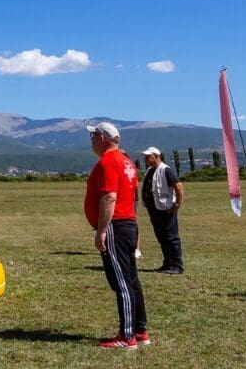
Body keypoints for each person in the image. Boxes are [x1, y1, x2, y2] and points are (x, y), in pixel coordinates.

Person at [84, 123, 149, 350]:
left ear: (102, 138)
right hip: (127, 223)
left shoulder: (109, 161)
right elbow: (133, 198)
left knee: (121, 281)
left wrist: (102, 229)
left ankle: (127, 336)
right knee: (131, 279)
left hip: (116, 225)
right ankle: (140, 330)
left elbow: (109, 197)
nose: (91, 140)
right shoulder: (127, 161)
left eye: (93, 136)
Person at [140, 146, 185, 274]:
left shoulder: (166, 170)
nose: (146, 159)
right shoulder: (150, 170)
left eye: (149, 156)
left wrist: (177, 204)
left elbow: (178, 186)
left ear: (157, 156)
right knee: (161, 237)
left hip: (166, 209)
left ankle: (177, 265)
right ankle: (168, 263)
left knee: (171, 237)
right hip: (154, 209)